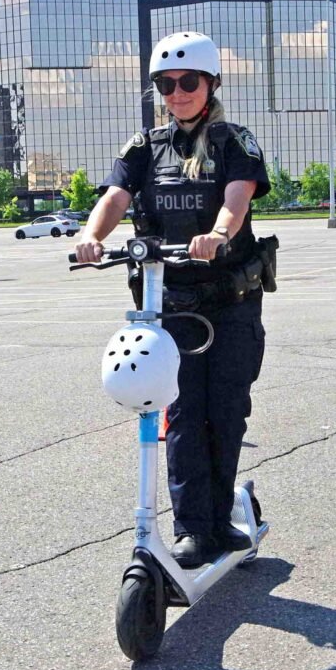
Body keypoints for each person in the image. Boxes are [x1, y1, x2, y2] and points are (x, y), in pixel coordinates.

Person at [74, 32, 271, 569]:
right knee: (182, 414)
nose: (177, 92)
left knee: (225, 413)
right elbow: (114, 197)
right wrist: (92, 236)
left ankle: (218, 521)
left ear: (210, 84)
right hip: (171, 304)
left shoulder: (234, 142)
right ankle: (191, 529)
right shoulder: (145, 148)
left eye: (188, 82)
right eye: (167, 83)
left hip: (230, 302)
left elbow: (237, 199)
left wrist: (220, 234)